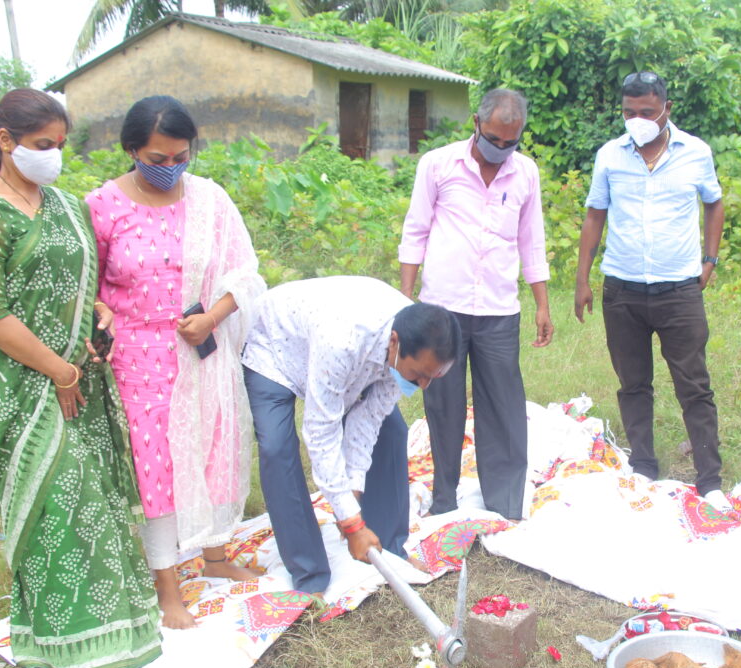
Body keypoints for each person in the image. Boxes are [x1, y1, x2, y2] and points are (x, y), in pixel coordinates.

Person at [0, 88, 161, 668]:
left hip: (83, 377)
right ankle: (66, 639)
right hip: (25, 387)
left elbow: (77, 284)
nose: (53, 155)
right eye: (42, 144)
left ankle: (120, 628)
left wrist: (99, 311)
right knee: (60, 504)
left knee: (97, 499)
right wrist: (57, 370)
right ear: (6, 141)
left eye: (60, 145)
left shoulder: (67, 206)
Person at [86, 96, 266, 629]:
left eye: (180, 157)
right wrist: (99, 311)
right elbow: (86, 283)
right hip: (138, 361)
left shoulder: (210, 200)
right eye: (157, 159)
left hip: (201, 348)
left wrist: (211, 318)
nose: (170, 168)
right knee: (158, 469)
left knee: (213, 451)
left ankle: (215, 557)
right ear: (131, 150)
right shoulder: (102, 207)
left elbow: (244, 273)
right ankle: (167, 588)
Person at [241, 277, 460, 595]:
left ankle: (388, 550)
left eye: (432, 376)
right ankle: (310, 574)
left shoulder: (418, 338)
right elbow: (321, 432)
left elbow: (367, 422)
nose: (423, 385)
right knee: (278, 447)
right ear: (395, 343)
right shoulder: (342, 341)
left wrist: (351, 497)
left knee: (392, 431)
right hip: (274, 346)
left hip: (341, 349)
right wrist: (350, 522)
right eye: (418, 375)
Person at [574, 71, 730, 513]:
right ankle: (643, 465)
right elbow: (595, 216)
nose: (637, 120)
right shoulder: (610, 155)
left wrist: (710, 258)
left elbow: (714, 203)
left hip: (679, 290)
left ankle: (709, 479)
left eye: (647, 112)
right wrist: (583, 279)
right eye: (629, 113)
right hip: (622, 289)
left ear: (666, 109)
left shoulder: (695, 152)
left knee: (694, 386)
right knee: (633, 384)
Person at [398, 88, 552, 522]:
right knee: (443, 405)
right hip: (441, 309)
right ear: (476, 124)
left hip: (498, 310)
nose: (501, 149)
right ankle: (444, 499)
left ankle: (505, 503)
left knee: (503, 407)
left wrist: (541, 304)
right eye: (494, 139)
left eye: (511, 142)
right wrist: (405, 300)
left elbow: (531, 240)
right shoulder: (438, 165)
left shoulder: (525, 173)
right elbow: (416, 231)